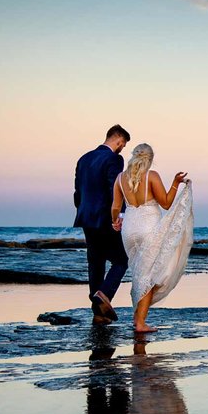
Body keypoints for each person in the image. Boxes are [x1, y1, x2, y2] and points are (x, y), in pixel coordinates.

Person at [111, 143, 194, 333]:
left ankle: (137, 316)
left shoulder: (119, 178)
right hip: (148, 228)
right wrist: (175, 182)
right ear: (150, 158)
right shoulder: (152, 176)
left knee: (139, 274)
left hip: (129, 230)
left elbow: (116, 206)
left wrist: (115, 221)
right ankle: (140, 323)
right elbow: (166, 203)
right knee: (148, 277)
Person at [74, 124, 131, 323]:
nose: (122, 148)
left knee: (96, 262)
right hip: (105, 217)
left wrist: (82, 211)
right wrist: (119, 215)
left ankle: (98, 311)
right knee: (122, 260)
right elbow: (114, 188)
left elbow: (77, 193)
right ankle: (104, 295)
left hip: (85, 217)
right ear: (118, 140)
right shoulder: (114, 159)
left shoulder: (84, 159)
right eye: (122, 144)